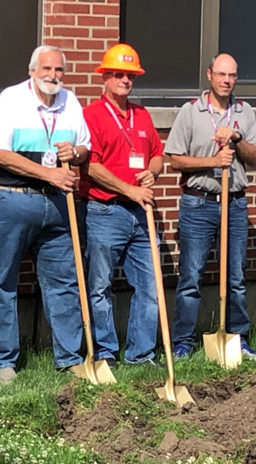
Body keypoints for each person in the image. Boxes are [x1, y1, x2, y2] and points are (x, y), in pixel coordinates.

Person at [0, 45, 91, 384]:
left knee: (64, 282)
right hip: (10, 199)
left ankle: (70, 358)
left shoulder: (70, 102)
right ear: (32, 71)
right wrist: (49, 174)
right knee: (2, 280)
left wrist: (76, 152)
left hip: (57, 205)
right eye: (46, 69)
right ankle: (4, 362)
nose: (53, 76)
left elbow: (85, 147)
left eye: (59, 70)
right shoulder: (11, 100)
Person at [163, 53, 256, 361]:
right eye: (221, 74)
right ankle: (183, 342)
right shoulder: (191, 112)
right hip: (198, 203)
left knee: (235, 277)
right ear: (210, 75)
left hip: (233, 203)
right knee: (191, 276)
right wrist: (212, 162)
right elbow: (175, 158)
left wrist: (235, 137)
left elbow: (255, 156)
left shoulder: (244, 112)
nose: (226, 80)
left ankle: (238, 339)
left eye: (232, 75)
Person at [81, 44, 165, 367]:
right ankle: (105, 352)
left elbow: (158, 153)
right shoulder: (92, 115)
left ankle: (141, 353)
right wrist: (130, 190)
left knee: (150, 285)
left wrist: (152, 171)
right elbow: (91, 167)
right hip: (105, 211)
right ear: (105, 77)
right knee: (100, 285)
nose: (124, 80)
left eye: (130, 75)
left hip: (140, 213)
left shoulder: (142, 115)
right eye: (118, 74)